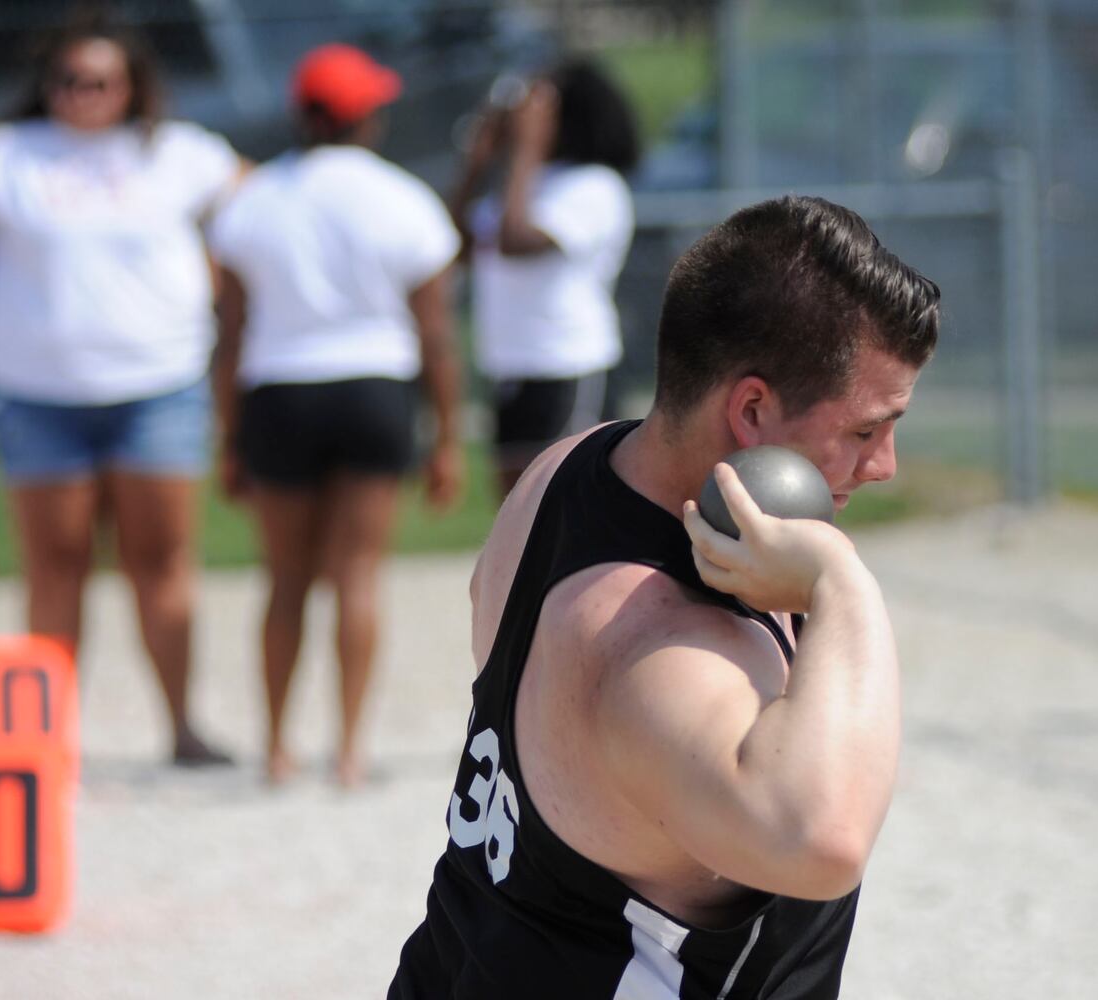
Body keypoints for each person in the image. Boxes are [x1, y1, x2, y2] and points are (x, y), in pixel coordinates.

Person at [389, 195, 941, 998]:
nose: (884, 464)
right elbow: (824, 843)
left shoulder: (565, 468)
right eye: (864, 430)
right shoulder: (663, 650)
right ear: (750, 409)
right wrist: (840, 583)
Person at [0, 15, 244, 765]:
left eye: (100, 81)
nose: (82, 95)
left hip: (158, 387)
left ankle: (182, 726)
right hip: (37, 392)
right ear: (45, 84)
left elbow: (254, 208)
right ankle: (49, 733)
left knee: (162, 562)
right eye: (67, 80)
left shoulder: (177, 153)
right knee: (56, 567)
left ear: (131, 87)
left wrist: (208, 282)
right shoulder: (5, 151)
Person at [208, 44, 463, 787]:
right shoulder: (403, 198)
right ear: (367, 118)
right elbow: (436, 338)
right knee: (357, 576)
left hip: (280, 390)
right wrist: (445, 435)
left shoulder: (252, 199)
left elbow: (229, 336)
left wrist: (229, 437)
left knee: (284, 579)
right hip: (374, 389)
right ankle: (349, 753)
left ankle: (277, 749)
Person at [451, 58, 640, 498]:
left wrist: (525, 151)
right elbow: (457, 246)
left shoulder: (595, 186)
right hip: (511, 366)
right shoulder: (522, 186)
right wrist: (476, 165)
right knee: (515, 509)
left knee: (562, 502)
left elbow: (515, 241)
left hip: (567, 364)